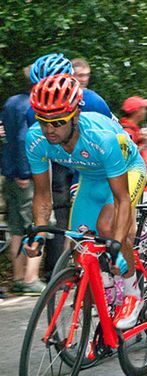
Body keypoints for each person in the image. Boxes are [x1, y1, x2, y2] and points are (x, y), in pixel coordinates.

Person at [24, 73, 147, 329]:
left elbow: (122, 199)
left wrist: (115, 241)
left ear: (75, 116)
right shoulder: (35, 139)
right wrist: (37, 231)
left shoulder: (101, 138)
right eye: (43, 121)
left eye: (58, 122)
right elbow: (43, 195)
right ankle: (101, 297)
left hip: (127, 170)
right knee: (79, 245)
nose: (49, 129)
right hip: (91, 178)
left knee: (108, 226)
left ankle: (133, 293)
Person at [1, 66, 45, 295]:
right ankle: (31, 278)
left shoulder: (11, 102)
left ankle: (18, 277)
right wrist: (25, 173)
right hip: (25, 175)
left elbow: (4, 134)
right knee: (40, 223)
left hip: (8, 173)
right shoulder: (33, 105)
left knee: (16, 227)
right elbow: (22, 139)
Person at [120, 96, 147, 171]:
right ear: (137, 112)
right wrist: (143, 143)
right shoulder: (128, 131)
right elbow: (127, 156)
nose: (145, 111)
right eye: (143, 109)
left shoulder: (133, 129)